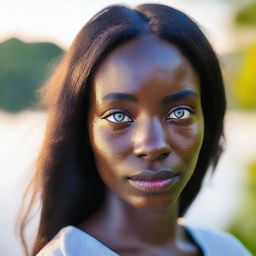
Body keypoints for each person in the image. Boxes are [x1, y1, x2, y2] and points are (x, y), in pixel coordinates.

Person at [19, 3, 252, 256]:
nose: (152, 145)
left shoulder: (228, 250)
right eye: (119, 116)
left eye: (180, 113)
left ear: (208, 121)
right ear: (85, 130)